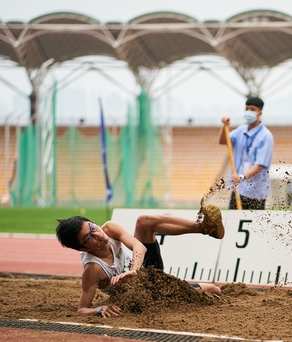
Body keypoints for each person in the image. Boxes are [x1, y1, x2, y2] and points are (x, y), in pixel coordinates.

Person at [55, 204, 224, 318]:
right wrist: (99, 309)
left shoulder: (109, 228)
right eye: (89, 237)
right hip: (149, 294)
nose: (98, 234)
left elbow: (139, 246)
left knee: (143, 221)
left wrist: (134, 269)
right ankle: (192, 289)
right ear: (83, 249)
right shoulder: (93, 270)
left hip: (149, 272)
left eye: (92, 227)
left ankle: (205, 227)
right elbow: (82, 309)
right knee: (213, 290)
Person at [219, 96, 274, 210]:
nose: (249, 111)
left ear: (260, 113)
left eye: (252, 109)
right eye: (247, 108)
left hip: (255, 192)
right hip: (238, 189)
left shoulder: (266, 136)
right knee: (234, 223)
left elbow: (260, 164)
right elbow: (223, 141)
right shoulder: (241, 130)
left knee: (253, 225)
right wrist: (225, 126)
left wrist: (242, 177)